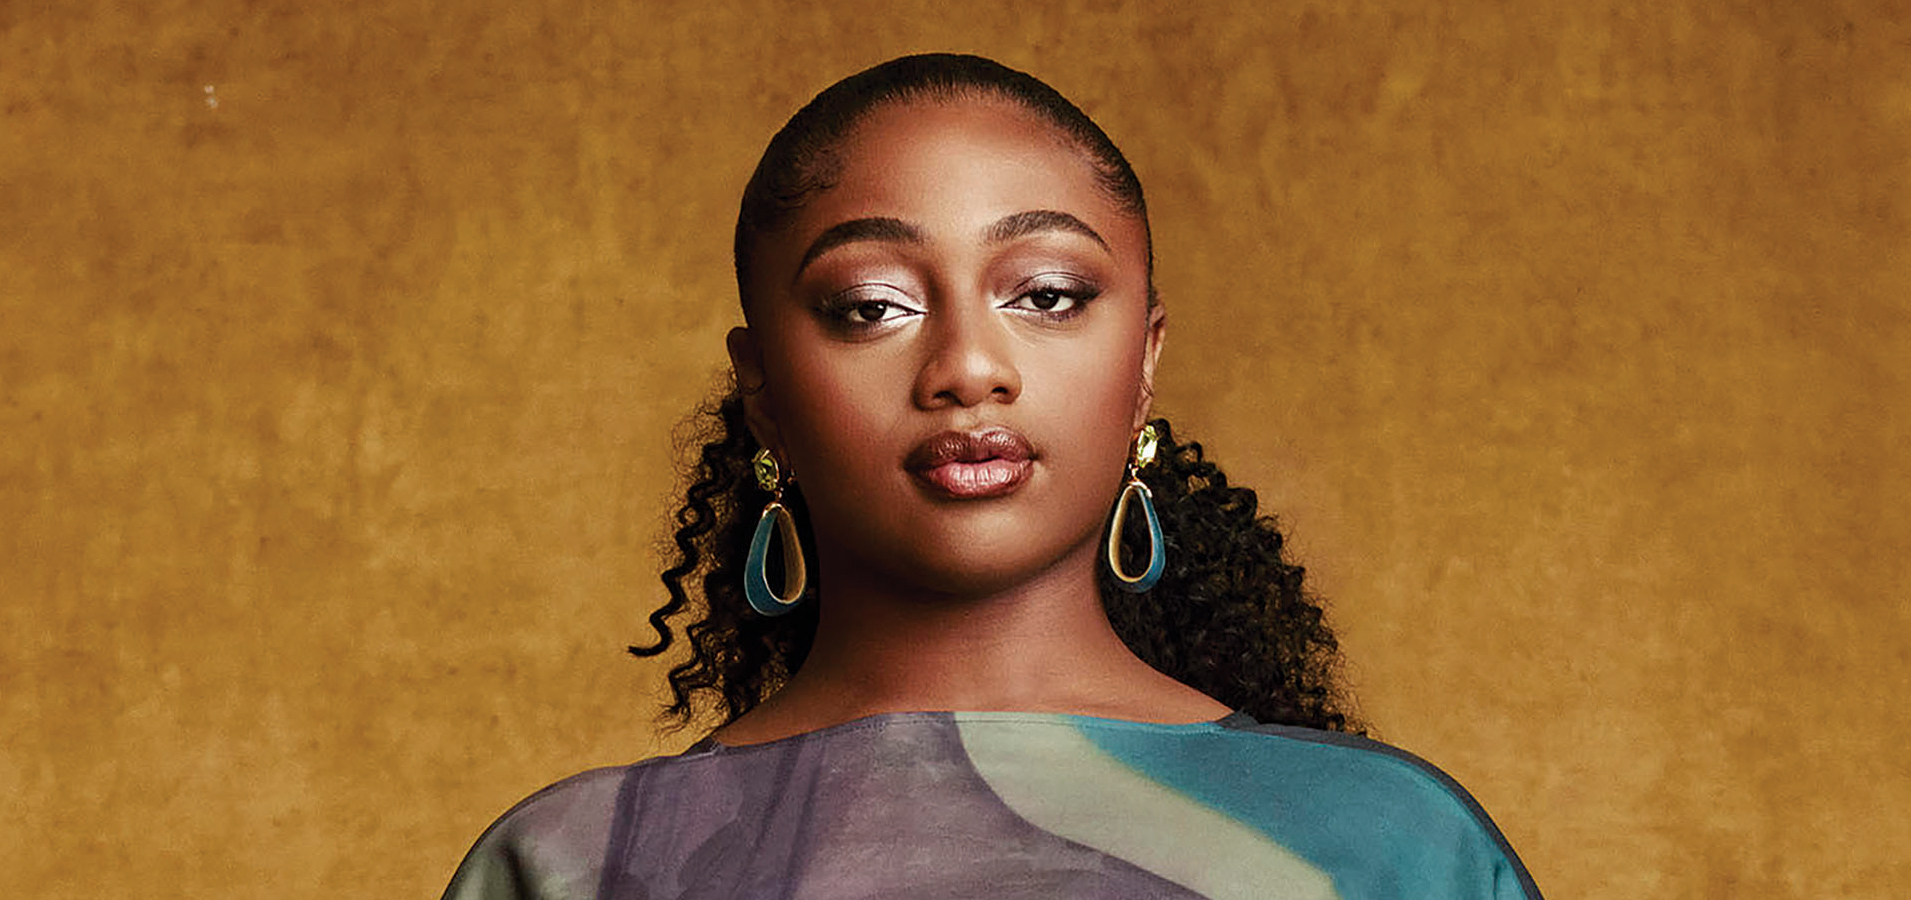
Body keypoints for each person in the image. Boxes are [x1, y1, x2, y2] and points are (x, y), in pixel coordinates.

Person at [441, 53, 1543, 900]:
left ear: (1145, 359)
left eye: (1048, 295)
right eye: (873, 306)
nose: (968, 366)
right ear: (764, 385)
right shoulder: (579, 865)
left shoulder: (1387, 845)